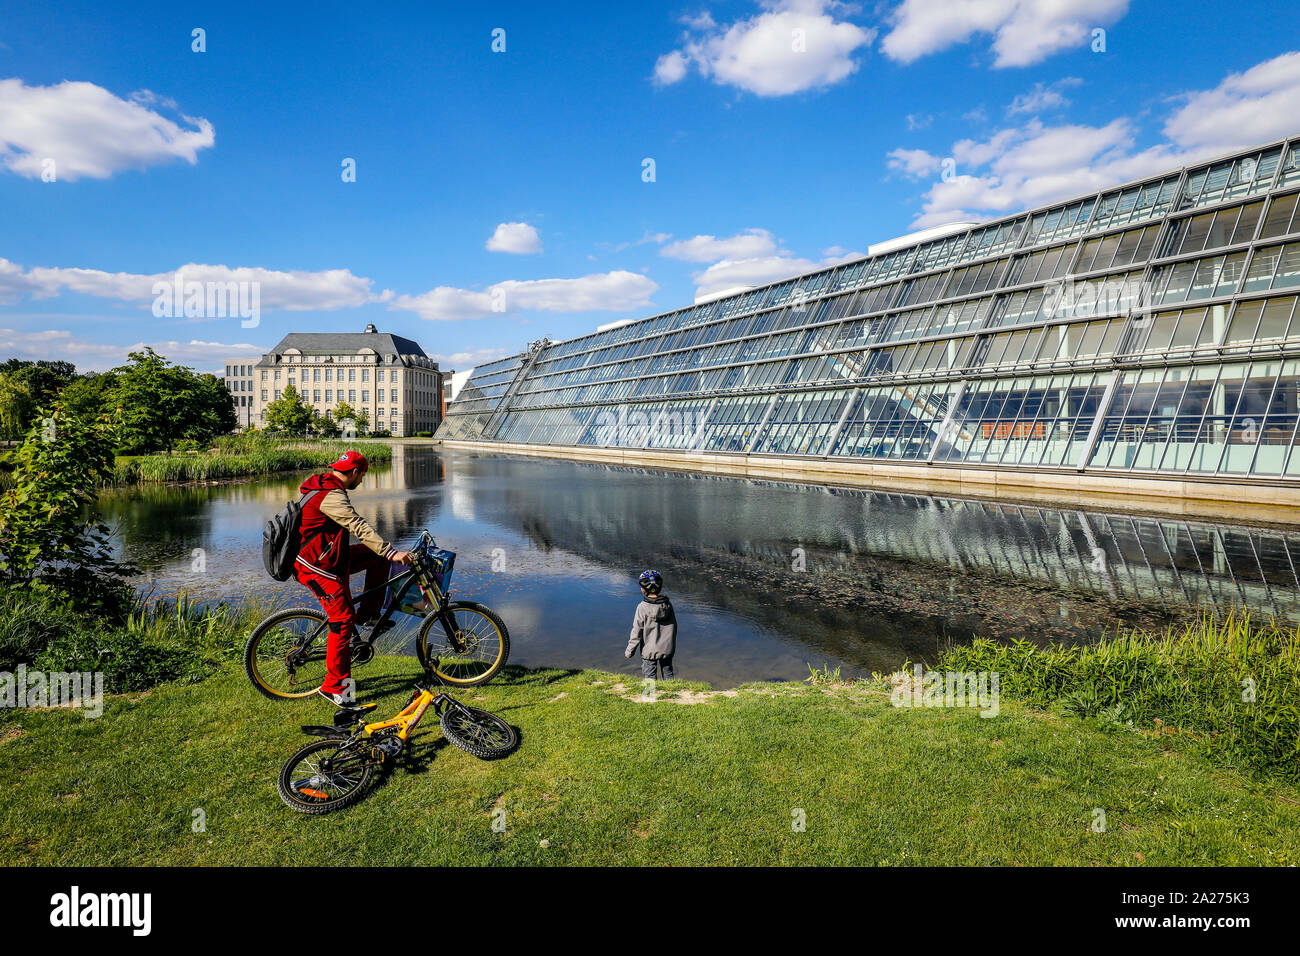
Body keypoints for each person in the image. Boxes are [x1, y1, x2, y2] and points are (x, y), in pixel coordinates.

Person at [293, 450, 413, 707]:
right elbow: (357, 525)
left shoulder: (326, 485)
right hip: (317, 566)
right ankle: (333, 688)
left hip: (331, 558)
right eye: (363, 476)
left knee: (377, 558)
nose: (362, 481)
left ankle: (368, 615)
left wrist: (384, 554)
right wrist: (391, 550)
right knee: (342, 619)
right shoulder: (331, 495)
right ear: (356, 472)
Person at [625, 569, 677, 679]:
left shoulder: (642, 607)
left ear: (643, 590)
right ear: (660, 587)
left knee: (650, 677)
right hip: (667, 648)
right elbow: (674, 626)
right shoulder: (668, 605)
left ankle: (650, 695)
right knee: (668, 674)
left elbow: (637, 631)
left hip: (649, 651)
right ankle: (672, 694)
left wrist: (630, 650)